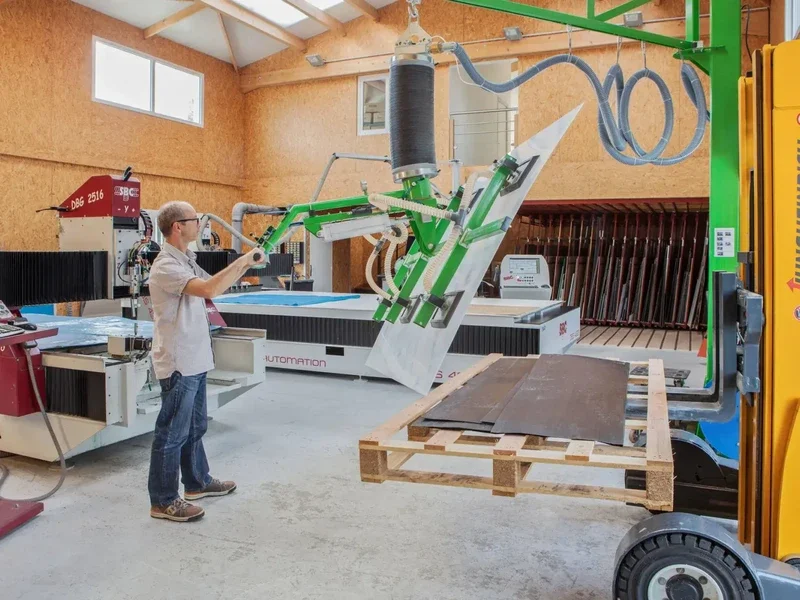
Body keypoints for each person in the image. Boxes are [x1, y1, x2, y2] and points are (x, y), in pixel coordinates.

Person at [147, 200, 265, 522]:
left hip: (196, 358)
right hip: (179, 361)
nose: (199, 223)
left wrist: (245, 265)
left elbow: (215, 290)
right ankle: (163, 500)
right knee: (172, 433)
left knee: (195, 426)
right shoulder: (166, 266)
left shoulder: (186, 260)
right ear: (178, 227)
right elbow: (210, 287)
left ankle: (197, 482)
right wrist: (241, 260)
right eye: (195, 219)